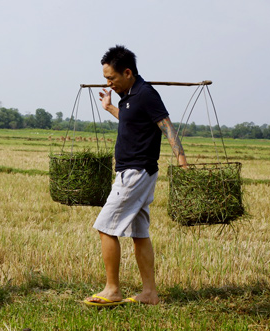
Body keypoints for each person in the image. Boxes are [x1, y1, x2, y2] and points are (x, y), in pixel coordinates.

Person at [83, 46, 187, 307]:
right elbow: (132, 120)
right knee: (140, 233)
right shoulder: (128, 96)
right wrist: (109, 108)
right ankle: (150, 293)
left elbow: (165, 125)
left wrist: (182, 160)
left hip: (135, 173)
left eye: (111, 78)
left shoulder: (146, 93)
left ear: (127, 72)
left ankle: (112, 289)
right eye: (106, 78)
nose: (108, 83)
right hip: (137, 172)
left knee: (105, 227)